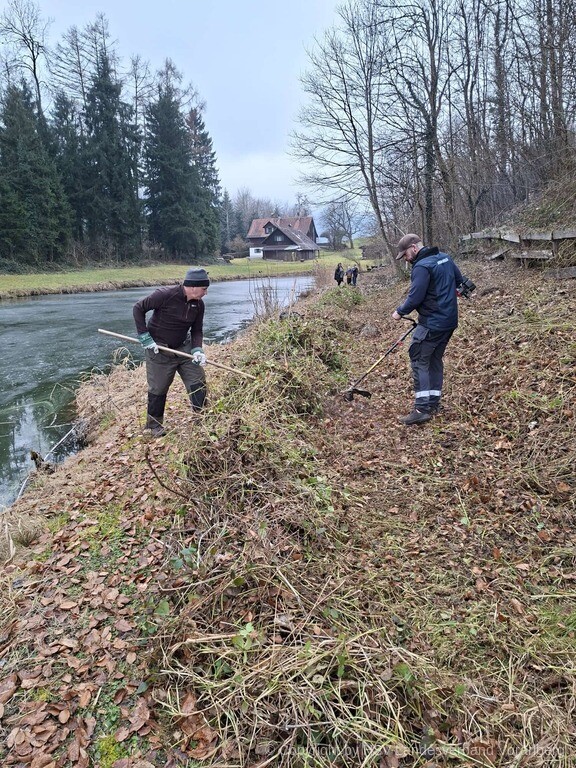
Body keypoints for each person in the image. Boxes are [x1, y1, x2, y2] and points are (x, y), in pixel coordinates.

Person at [391, 234, 467, 426]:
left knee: (418, 358)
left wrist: (399, 312)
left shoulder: (422, 267)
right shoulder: (445, 258)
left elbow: (415, 296)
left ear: (414, 248)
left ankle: (422, 409)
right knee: (434, 359)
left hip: (432, 323)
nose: (406, 259)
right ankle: (433, 402)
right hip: (449, 322)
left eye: (406, 254)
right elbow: (461, 282)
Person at [133, 267, 210, 436]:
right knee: (158, 388)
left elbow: (197, 330)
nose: (206, 293)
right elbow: (138, 308)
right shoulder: (164, 295)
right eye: (204, 289)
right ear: (193, 287)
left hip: (184, 348)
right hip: (159, 349)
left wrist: (197, 349)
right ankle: (153, 427)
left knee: (197, 381)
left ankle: (203, 419)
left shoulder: (199, 305)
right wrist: (145, 337)